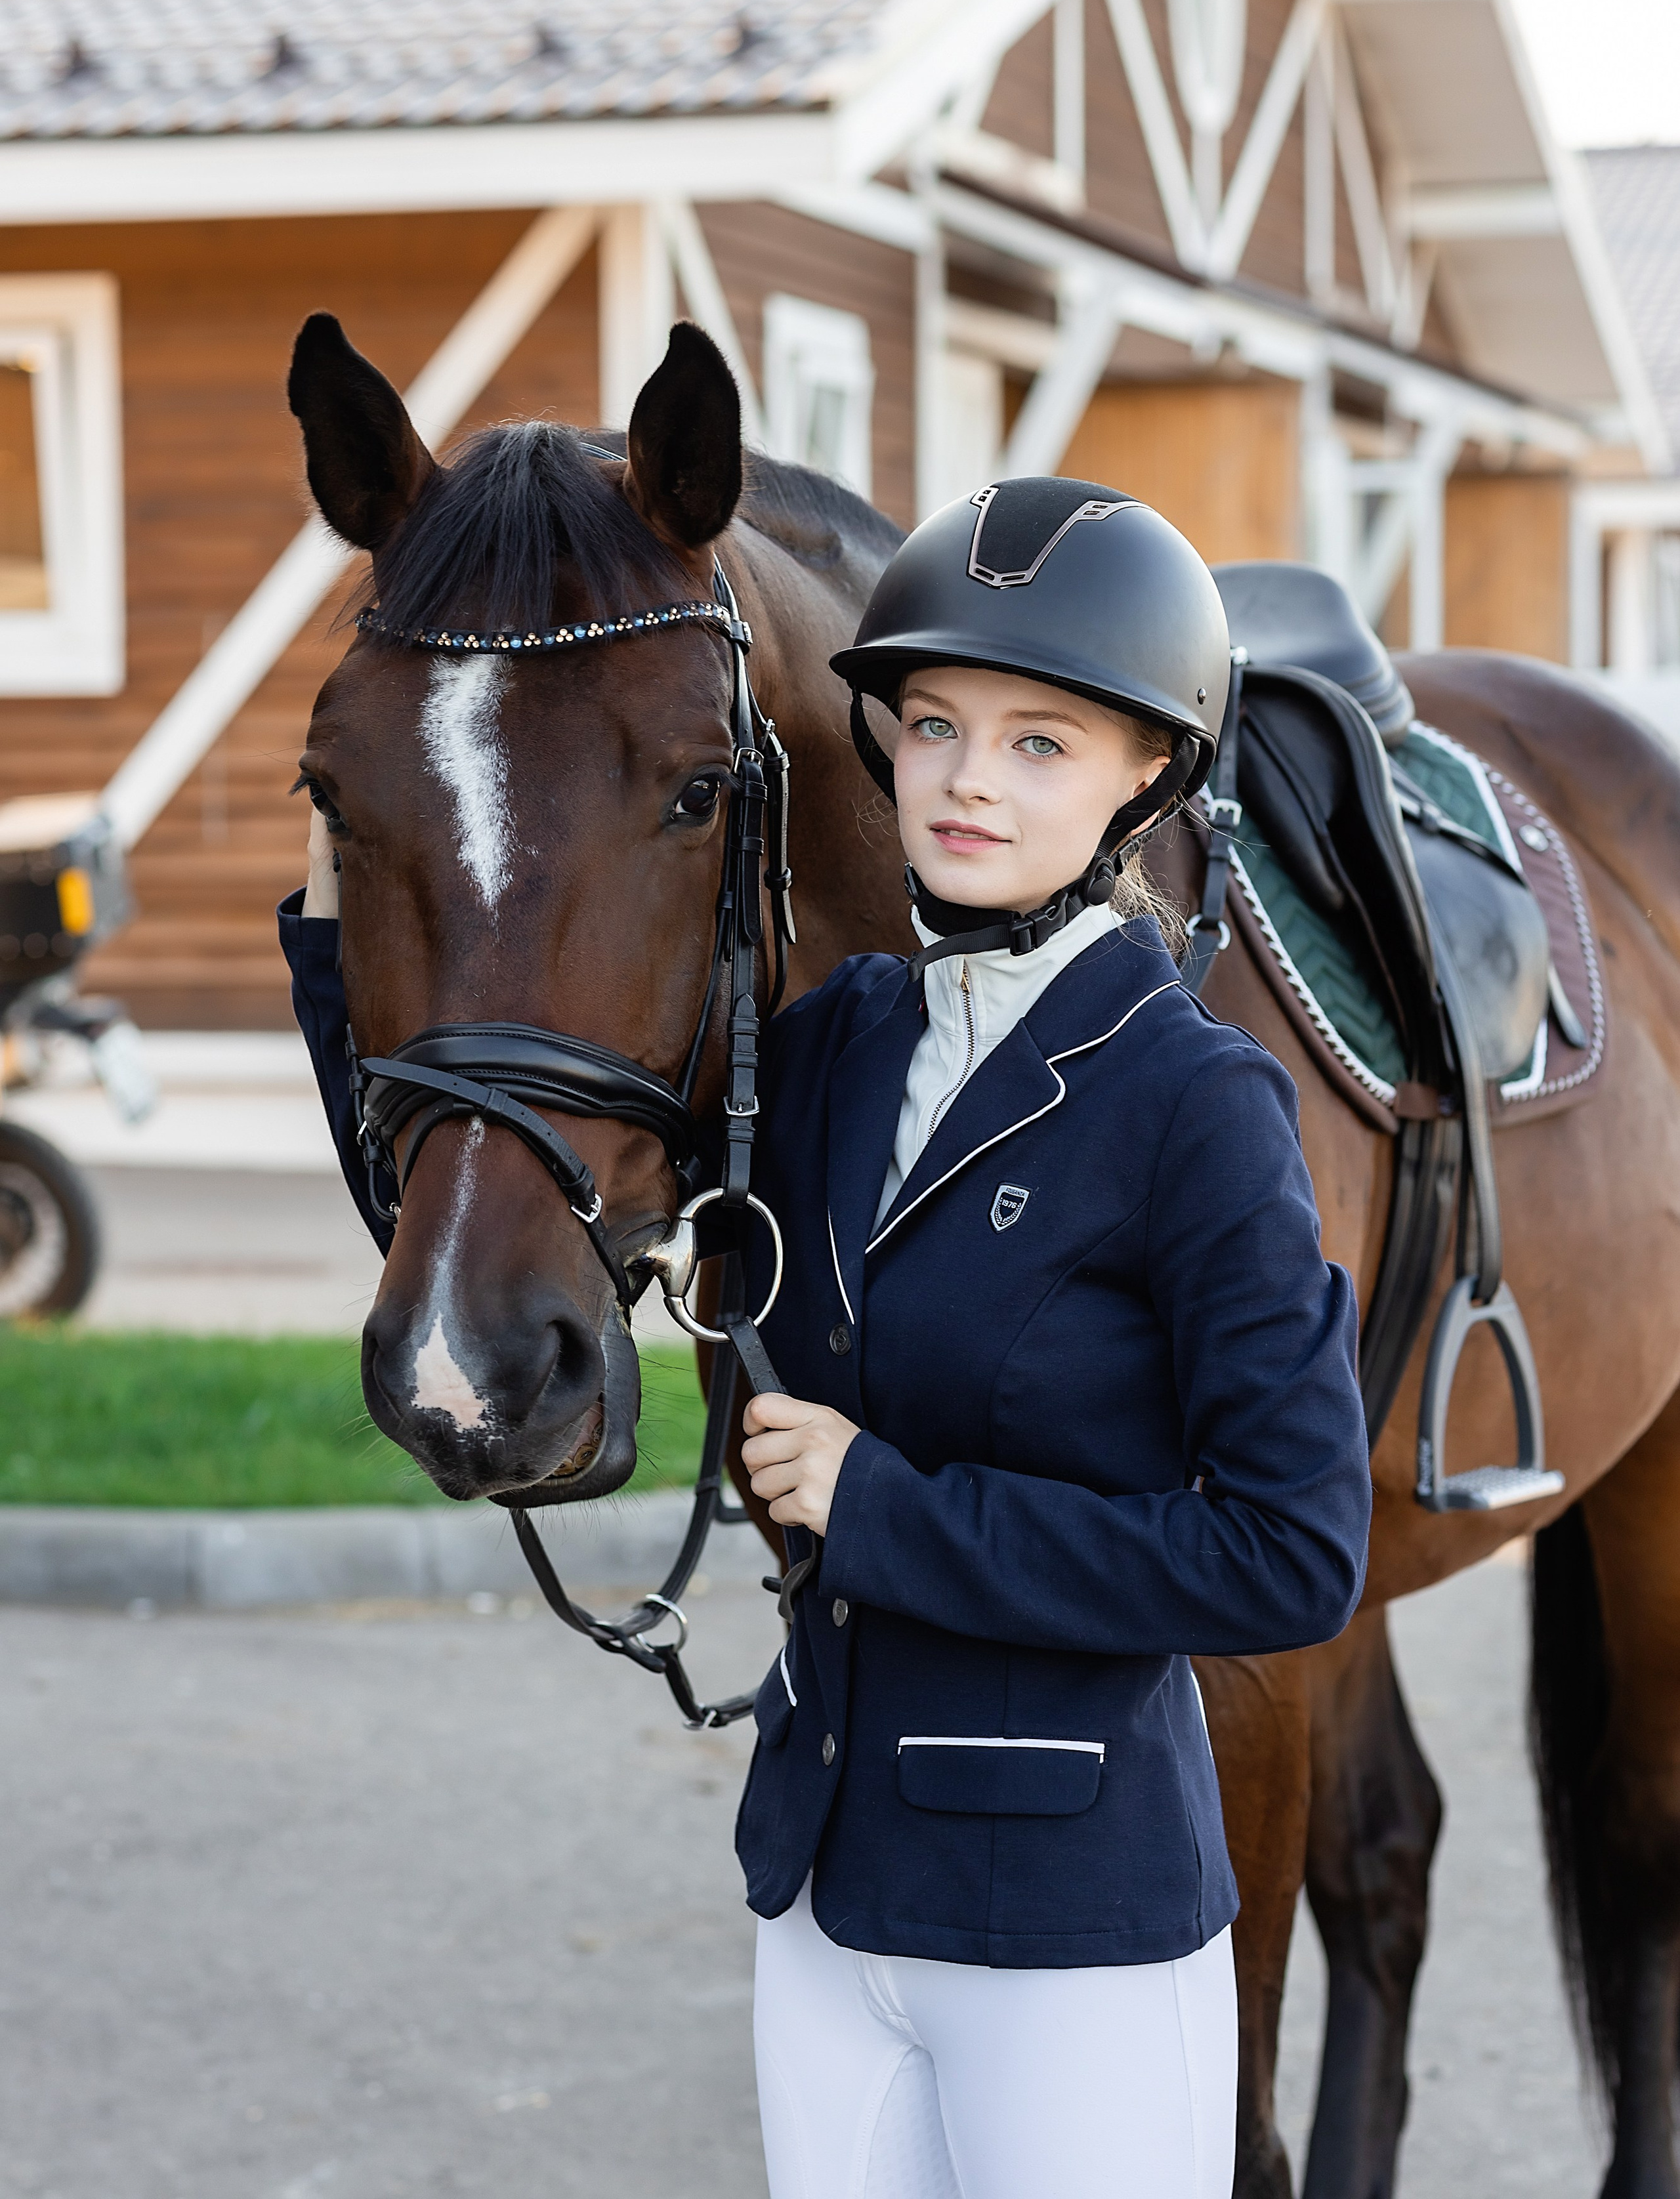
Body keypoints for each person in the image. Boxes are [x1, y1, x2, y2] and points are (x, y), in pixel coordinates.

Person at [281, 474, 1370, 2199]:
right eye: (933, 725)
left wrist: (892, 1512)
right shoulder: (841, 1044)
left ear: (1144, 773)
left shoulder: (1198, 1107)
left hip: (1067, 1923)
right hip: (822, 1904)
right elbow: (520, 1098)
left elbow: (1292, 1557)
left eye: (1039, 745)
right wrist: (375, 824)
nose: (965, 782)